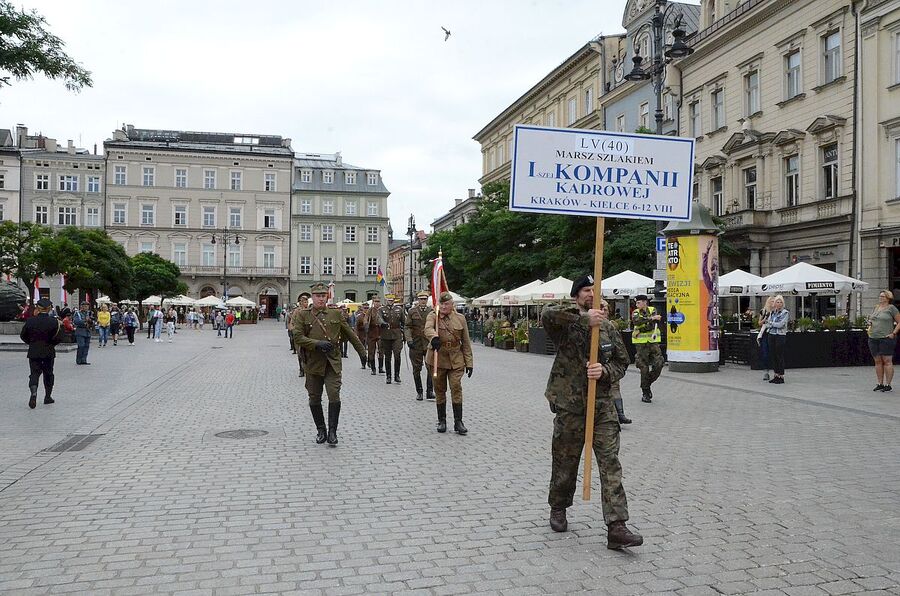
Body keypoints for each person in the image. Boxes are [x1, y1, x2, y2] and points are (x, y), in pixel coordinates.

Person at [542, 274, 643, 549]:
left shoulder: (608, 328)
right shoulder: (566, 323)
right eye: (586, 290)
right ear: (577, 296)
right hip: (571, 405)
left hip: (602, 407)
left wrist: (605, 371)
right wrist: (583, 319)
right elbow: (546, 315)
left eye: (595, 289)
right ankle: (559, 506)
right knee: (565, 460)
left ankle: (617, 526)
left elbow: (623, 362)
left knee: (611, 464)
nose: (591, 294)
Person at [292, 282, 367, 446]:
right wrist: (316, 344)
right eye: (317, 296)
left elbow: (351, 334)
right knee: (314, 397)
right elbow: (297, 337)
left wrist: (363, 353)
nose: (320, 299)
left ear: (327, 296)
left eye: (323, 296)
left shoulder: (336, 314)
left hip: (332, 362)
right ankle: (321, 429)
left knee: (334, 395)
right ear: (312, 297)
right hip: (312, 363)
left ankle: (333, 431)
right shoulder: (302, 315)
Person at [424, 292, 474, 433]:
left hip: (456, 359)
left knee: (456, 387)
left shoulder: (460, 319)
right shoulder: (433, 315)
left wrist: (469, 363)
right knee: (440, 389)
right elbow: (427, 328)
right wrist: (433, 337)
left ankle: (458, 422)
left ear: (452, 305)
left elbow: (466, 342)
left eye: (447, 304)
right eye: (442, 304)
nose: (444, 306)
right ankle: (442, 420)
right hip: (437, 358)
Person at [19, 298, 62, 409]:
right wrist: (51, 344)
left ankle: (33, 393)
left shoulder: (30, 321)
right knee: (48, 374)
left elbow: (23, 335)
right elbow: (59, 337)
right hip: (48, 352)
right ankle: (47, 397)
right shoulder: (54, 321)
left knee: (34, 373)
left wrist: (31, 343)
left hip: (34, 351)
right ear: (48, 309)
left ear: (38, 308)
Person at [631, 294, 664, 403]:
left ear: (645, 302)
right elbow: (636, 321)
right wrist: (651, 319)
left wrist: (641, 329)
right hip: (641, 344)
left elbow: (653, 324)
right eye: (636, 303)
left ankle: (647, 383)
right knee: (643, 368)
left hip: (653, 342)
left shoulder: (652, 309)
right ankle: (645, 392)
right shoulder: (636, 312)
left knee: (659, 363)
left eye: (639, 302)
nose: (637, 305)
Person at [867, 290, 900, 392]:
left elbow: (899, 322)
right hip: (873, 337)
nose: (880, 298)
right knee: (877, 361)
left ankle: (888, 384)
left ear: (888, 298)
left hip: (886, 338)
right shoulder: (876, 308)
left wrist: (893, 333)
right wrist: (869, 324)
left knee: (887, 361)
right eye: (880, 296)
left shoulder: (892, 308)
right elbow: (872, 320)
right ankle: (880, 383)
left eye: (883, 297)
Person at [406, 291, 435, 400]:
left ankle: (430, 391)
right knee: (416, 369)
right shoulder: (412, 311)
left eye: (425, 299)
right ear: (418, 300)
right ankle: (419, 391)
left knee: (430, 367)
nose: (423, 301)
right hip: (415, 343)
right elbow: (407, 326)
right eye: (421, 299)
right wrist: (409, 339)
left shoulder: (431, 312)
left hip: (428, 343)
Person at [375, 293, 406, 384]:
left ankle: (397, 375)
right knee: (387, 356)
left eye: (392, 300)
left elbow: (404, 322)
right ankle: (388, 376)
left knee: (397, 355)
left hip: (396, 334)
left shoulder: (399, 309)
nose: (390, 302)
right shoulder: (381, 309)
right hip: (386, 335)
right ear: (386, 300)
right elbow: (378, 318)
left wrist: (404, 334)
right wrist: (383, 323)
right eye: (389, 300)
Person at [765, 295, 790, 384]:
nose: (779, 304)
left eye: (780, 302)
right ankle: (776, 374)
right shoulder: (772, 313)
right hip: (772, 335)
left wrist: (772, 323)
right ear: (774, 303)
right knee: (773, 355)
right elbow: (767, 324)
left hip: (780, 335)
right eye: (777, 302)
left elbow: (781, 325)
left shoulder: (785, 313)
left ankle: (781, 376)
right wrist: (772, 323)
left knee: (779, 356)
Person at [289, 293, 311, 377]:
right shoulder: (296, 312)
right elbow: (292, 323)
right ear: (301, 302)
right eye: (304, 302)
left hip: (308, 335)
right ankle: (301, 370)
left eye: (307, 302)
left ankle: (307, 369)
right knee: (300, 353)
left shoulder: (310, 311)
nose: (306, 303)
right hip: (299, 335)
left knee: (309, 353)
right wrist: (294, 331)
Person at [757, 297, 776, 381]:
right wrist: (764, 319)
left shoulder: (777, 312)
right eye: (771, 301)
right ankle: (766, 372)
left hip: (774, 333)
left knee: (774, 353)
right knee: (765, 353)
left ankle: (776, 372)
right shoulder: (763, 311)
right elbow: (759, 323)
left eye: (774, 302)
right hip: (765, 333)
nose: (772, 303)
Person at [365, 297, 384, 376]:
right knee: (371, 351)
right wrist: (366, 325)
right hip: (371, 333)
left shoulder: (382, 310)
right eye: (376, 301)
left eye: (378, 301)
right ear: (373, 302)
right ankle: (373, 368)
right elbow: (365, 319)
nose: (377, 303)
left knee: (381, 351)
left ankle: (380, 368)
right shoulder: (370, 310)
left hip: (380, 333)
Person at [72, 301, 94, 365]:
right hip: (80, 331)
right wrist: (85, 321)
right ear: (81, 306)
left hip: (87, 331)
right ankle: (79, 360)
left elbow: (93, 321)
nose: (86, 307)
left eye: (87, 306)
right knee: (81, 345)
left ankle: (84, 360)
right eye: (84, 306)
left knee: (86, 346)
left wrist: (90, 321)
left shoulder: (90, 313)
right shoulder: (77, 313)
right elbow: (76, 321)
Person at [355, 302, 370, 370]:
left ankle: (370, 361)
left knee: (370, 350)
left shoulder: (371, 316)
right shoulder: (359, 316)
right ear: (362, 308)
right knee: (362, 350)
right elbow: (356, 327)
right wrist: (356, 335)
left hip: (369, 335)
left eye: (367, 308)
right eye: (365, 308)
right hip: (362, 334)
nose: (366, 309)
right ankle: (363, 363)